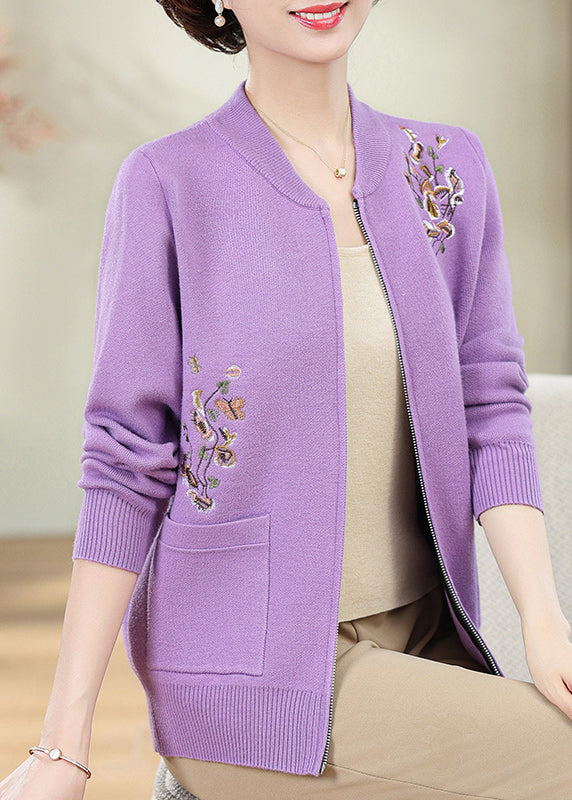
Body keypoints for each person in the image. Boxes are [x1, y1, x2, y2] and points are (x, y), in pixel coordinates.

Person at [2, 1, 572, 798]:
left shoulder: (448, 168)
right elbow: (126, 465)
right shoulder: (170, 183)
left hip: (428, 641)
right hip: (249, 677)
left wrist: (544, 623)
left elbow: (491, 409)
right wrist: (63, 746)